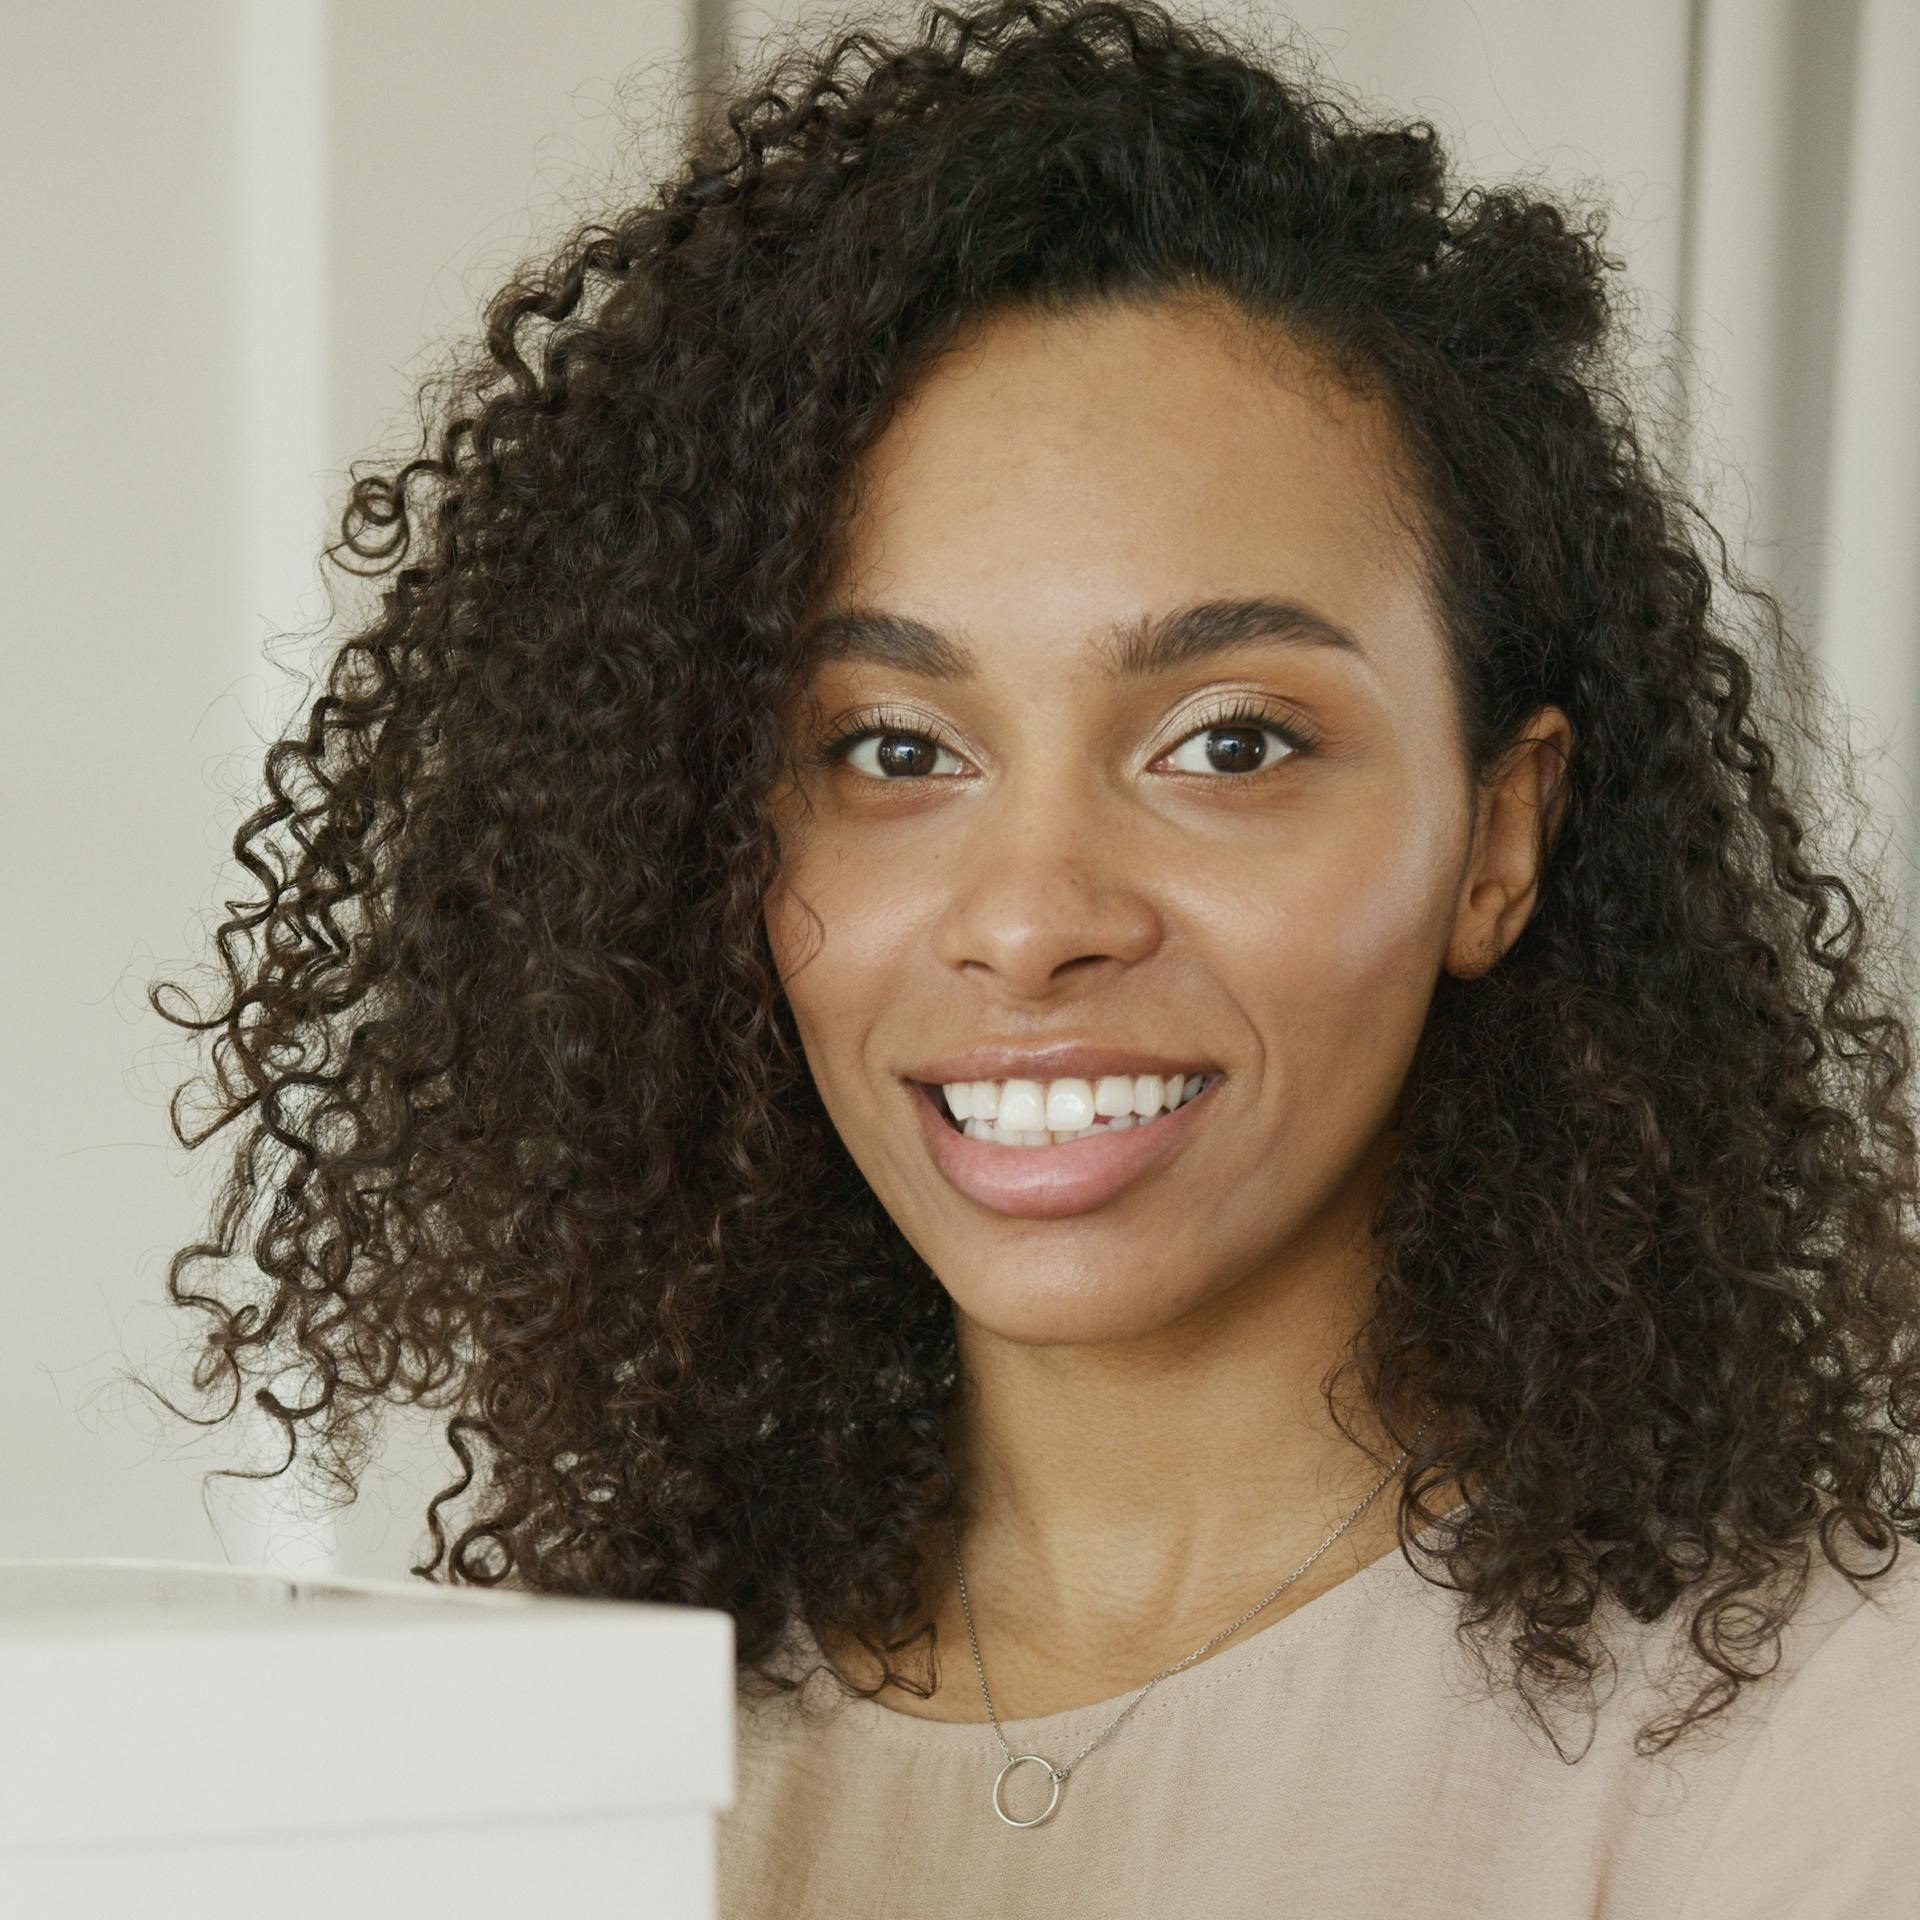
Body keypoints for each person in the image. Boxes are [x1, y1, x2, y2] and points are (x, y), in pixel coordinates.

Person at [140, 1, 1920, 1913]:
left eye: (1230, 743)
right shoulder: (567, 1768)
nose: (1031, 916)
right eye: (894, 751)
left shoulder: (1824, 1739)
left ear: (1501, 835)